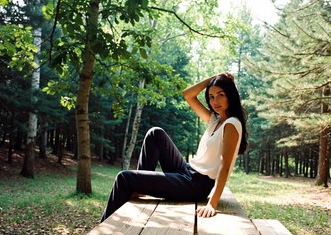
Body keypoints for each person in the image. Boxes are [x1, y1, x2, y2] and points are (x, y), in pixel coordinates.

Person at [100, 73, 248, 221]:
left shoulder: (231, 124)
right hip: (188, 171)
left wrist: (212, 203)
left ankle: (102, 226)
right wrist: (214, 78)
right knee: (155, 133)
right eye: (211, 96)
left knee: (123, 178)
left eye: (221, 95)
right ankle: (140, 187)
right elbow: (188, 95)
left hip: (196, 185)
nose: (215, 101)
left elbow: (225, 166)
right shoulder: (216, 120)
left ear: (230, 95)